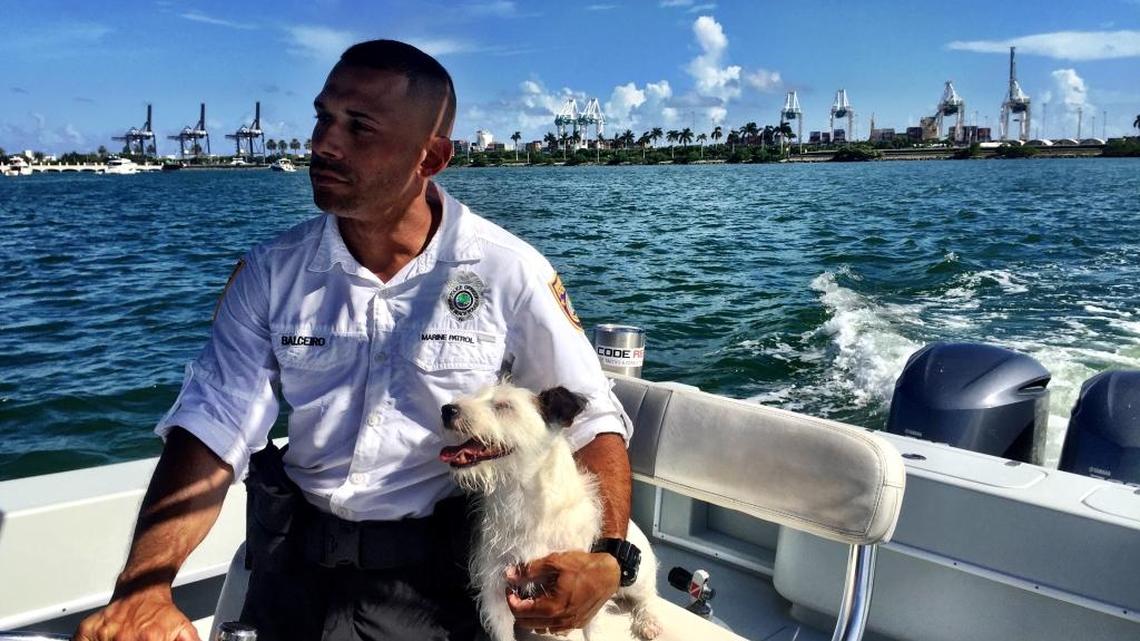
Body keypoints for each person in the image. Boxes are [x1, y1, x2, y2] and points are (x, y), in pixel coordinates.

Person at [73, 40, 637, 641]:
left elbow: (589, 418)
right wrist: (144, 587)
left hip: (437, 580)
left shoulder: (507, 272)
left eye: (358, 127)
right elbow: (215, 422)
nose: (323, 143)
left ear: (432, 157)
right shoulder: (273, 272)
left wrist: (608, 558)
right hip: (291, 563)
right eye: (323, 118)